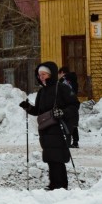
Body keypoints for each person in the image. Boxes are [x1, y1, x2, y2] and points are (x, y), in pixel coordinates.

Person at [19, 61, 76, 190]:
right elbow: (39, 111)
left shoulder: (61, 88)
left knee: (58, 157)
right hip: (45, 129)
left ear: (51, 74)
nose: (41, 77)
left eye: (43, 74)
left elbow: (74, 106)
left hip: (58, 127)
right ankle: (54, 184)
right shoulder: (41, 92)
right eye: (39, 75)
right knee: (50, 157)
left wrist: (62, 112)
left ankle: (61, 185)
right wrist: (28, 108)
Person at [58, 67, 81, 148]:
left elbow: (61, 93)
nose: (58, 76)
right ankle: (75, 142)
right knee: (74, 123)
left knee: (66, 123)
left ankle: (67, 141)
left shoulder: (64, 81)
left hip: (66, 104)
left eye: (59, 73)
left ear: (62, 73)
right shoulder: (73, 80)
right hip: (74, 102)